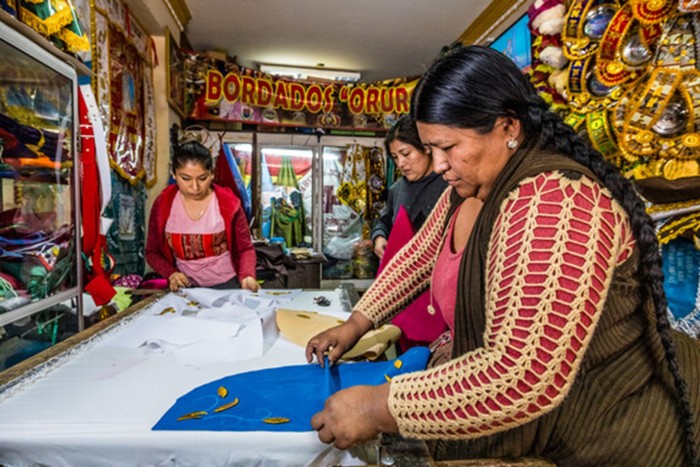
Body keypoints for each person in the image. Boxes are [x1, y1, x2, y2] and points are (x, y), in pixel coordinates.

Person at [305, 45, 700, 466]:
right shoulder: (470, 187)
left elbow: (521, 374)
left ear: (507, 126)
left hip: (614, 434)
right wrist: (356, 324)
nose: (437, 164)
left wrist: (377, 407)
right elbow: (419, 257)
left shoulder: (555, 200)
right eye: (429, 148)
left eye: (448, 146)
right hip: (536, 430)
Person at [145, 140, 259, 293]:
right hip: (185, 287)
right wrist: (171, 274)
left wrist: (247, 276)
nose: (195, 187)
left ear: (212, 174)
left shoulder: (228, 204)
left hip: (227, 285)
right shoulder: (163, 204)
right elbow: (152, 252)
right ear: (174, 174)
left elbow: (245, 249)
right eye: (185, 178)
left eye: (202, 178)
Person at [371, 115, 448, 260]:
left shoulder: (449, 184)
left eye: (406, 154)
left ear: (426, 148)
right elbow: (385, 221)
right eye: (395, 157)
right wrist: (379, 236)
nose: (400, 163)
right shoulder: (397, 189)